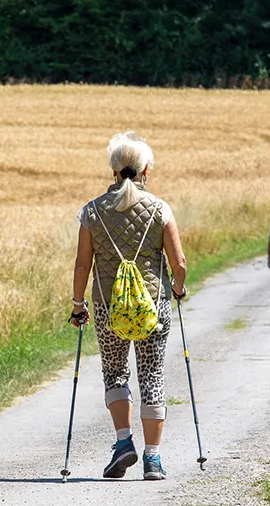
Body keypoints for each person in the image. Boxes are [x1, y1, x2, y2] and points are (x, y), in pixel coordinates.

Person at [70, 132, 188, 481]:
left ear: (113, 170)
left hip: (108, 308)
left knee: (115, 373)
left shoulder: (92, 212)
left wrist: (78, 304)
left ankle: (124, 443)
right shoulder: (160, 209)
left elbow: (82, 266)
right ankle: (153, 459)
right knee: (152, 374)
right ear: (146, 169)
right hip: (154, 307)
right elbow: (178, 263)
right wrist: (177, 290)